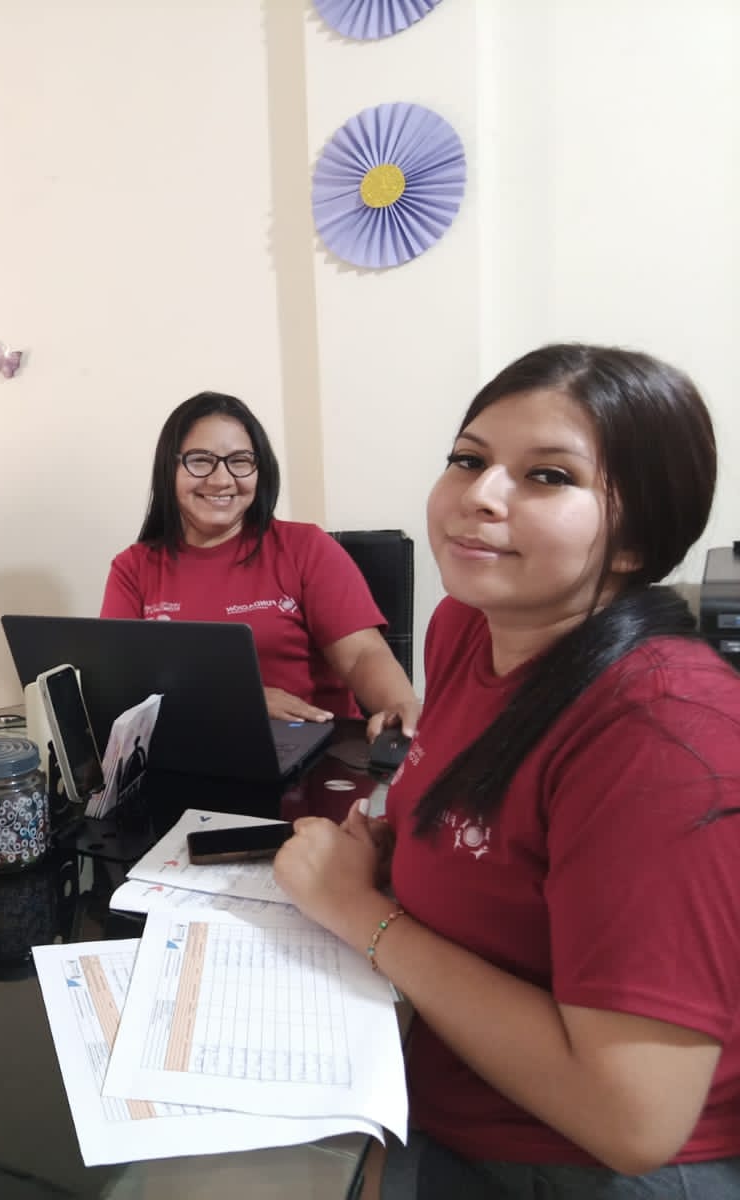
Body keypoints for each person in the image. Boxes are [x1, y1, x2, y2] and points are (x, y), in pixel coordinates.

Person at [274, 345, 740, 1197]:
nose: (480, 495)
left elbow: (634, 1123)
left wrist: (359, 911)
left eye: (548, 476)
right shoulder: (464, 626)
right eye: (468, 459)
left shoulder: (663, 731)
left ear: (637, 537)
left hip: (569, 1160)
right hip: (424, 1069)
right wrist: (395, 851)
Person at [102, 391, 420, 736]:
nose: (221, 479)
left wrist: (399, 706)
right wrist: (240, 699)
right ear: (170, 468)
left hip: (312, 746)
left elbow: (361, 656)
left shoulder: (306, 548)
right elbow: (121, 685)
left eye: (240, 461)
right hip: (184, 745)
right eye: (200, 460)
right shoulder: (133, 568)